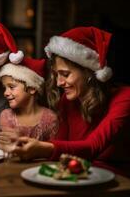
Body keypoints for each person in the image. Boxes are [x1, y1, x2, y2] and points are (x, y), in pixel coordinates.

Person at [14, 26, 130, 176]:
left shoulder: (125, 97)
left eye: (65, 74)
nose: (59, 83)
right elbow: (62, 149)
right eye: (56, 75)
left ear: (88, 72)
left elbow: (92, 146)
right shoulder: (67, 100)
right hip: (78, 175)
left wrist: (43, 148)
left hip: (118, 181)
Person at [0, 58, 58, 146]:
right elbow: (7, 147)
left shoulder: (50, 118)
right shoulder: (6, 116)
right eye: (5, 88)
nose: (5, 93)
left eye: (11, 87)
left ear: (32, 88)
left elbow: (52, 149)